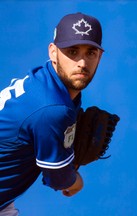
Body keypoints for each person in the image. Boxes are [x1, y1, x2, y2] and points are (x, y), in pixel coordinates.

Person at [0, 12, 104, 215]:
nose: (82, 63)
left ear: (100, 56)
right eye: (72, 51)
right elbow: (58, 178)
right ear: (53, 52)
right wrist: (76, 180)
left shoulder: (46, 80)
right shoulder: (52, 109)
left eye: (90, 52)